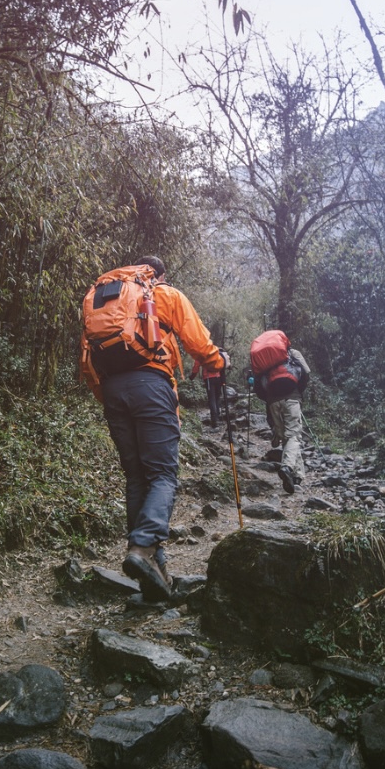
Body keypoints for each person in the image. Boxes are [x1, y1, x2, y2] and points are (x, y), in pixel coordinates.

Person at [82, 256, 228, 601]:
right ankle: (144, 547)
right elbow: (198, 341)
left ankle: (155, 568)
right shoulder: (161, 292)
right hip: (151, 384)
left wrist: (108, 396)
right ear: (158, 274)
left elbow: (87, 356)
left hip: (113, 390)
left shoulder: (103, 298)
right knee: (162, 475)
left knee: (136, 477)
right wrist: (218, 361)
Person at [251, 330, 310, 494]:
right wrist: (298, 390)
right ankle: (288, 467)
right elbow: (306, 372)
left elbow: (258, 386)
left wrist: (269, 400)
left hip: (272, 402)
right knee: (294, 435)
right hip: (291, 398)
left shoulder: (264, 362)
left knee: (287, 437)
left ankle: (297, 477)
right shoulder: (292, 353)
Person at [190, 356, 223, 427]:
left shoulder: (200, 354)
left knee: (212, 399)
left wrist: (192, 377)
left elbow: (196, 367)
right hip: (218, 377)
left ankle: (214, 420)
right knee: (217, 398)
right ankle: (218, 416)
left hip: (208, 379)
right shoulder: (212, 350)